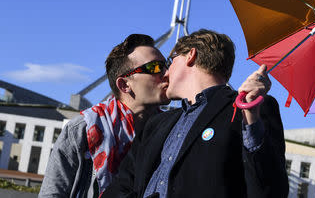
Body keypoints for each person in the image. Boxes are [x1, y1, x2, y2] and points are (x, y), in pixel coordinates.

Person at [104, 29, 289, 198]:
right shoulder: (156, 124)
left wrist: (251, 117)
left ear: (190, 56)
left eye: (170, 62)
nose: (165, 73)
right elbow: (119, 189)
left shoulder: (250, 109)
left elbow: (272, 190)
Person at [40, 34, 170, 197]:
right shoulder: (82, 130)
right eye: (155, 67)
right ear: (124, 85)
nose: (167, 73)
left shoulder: (172, 131)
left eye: (167, 65)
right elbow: (53, 194)